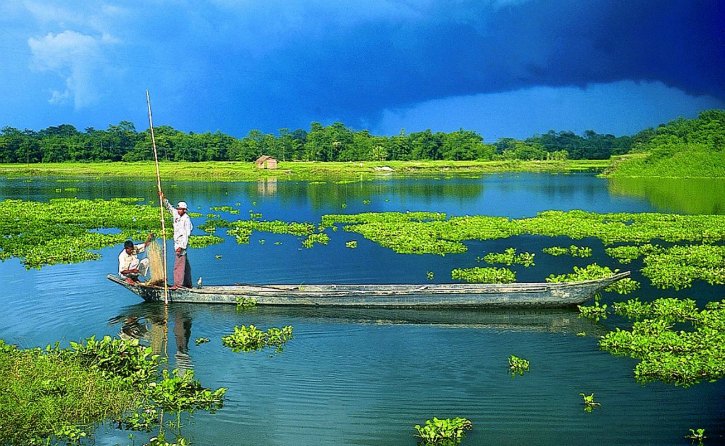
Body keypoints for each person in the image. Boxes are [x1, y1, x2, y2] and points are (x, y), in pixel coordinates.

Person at [161, 193, 193, 288]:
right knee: (185, 265)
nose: (178, 210)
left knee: (178, 266)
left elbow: (187, 234)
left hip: (181, 245)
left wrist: (181, 247)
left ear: (184, 210)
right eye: (178, 209)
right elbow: (169, 208)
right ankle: (188, 284)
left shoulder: (186, 219)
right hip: (177, 243)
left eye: (180, 209)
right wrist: (163, 198)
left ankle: (178, 285)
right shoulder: (176, 214)